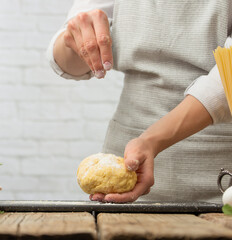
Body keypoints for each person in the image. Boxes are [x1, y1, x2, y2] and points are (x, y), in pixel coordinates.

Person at [47, 0, 232, 203]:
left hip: (217, 178)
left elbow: (226, 75)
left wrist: (151, 141)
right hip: (126, 163)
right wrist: (78, 40)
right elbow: (67, 58)